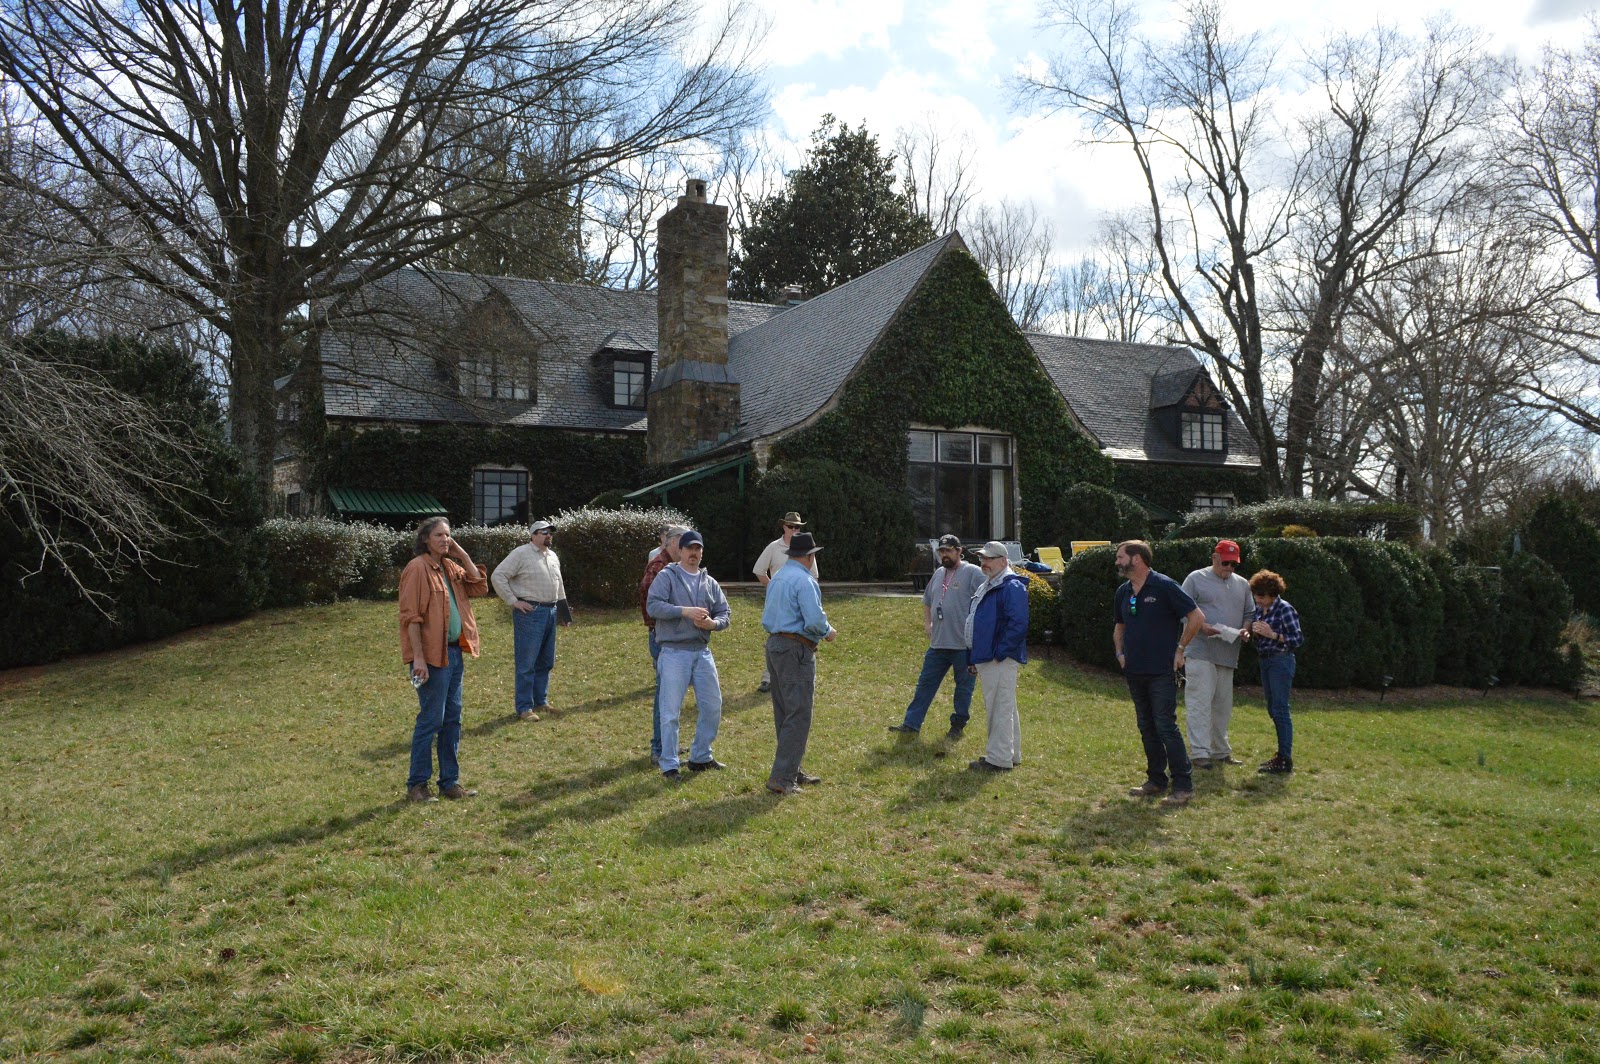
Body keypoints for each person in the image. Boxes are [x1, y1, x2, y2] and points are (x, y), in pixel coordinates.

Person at [398, 516, 489, 802]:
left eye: (448, 535)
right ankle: (417, 785)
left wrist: (461, 553)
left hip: (454, 653)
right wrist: (419, 659)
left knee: (453, 720)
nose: (445, 540)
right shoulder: (417, 568)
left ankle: (449, 783)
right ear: (425, 539)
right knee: (431, 721)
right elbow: (410, 618)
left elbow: (478, 585)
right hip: (431, 658)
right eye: (439, 535)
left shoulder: (450, 566)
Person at [1113, 540, 1207, 807]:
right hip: (1135, 670)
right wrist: (1120, 654)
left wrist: (1180, 649)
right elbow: (1119, 627)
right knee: (1147, 727)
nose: (1117, 562)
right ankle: (1156, 780)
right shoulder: (1123, 591)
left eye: (1121, 557)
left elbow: (1196, 617)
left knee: (1165, 726)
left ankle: (1183, 786)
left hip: (1161, 671)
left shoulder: (1164, 586)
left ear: (1137, 559)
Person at [646, 530, 732, 781]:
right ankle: (669, 764)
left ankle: (700, 757)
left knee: (712, 706)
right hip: (673, 652)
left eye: (698, 549)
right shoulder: (666, 577)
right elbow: (654, 606)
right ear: (680, 551)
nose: (694, 553)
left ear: (701, 552)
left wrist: (713, 625)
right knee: (670, 711)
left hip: (702, 652)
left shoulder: (709, 582)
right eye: (689, 549)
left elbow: (724, 612)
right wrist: (685, 611)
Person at [889, 534, 986, 740]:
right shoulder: (939, 573)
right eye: (942, 551)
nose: (945, 555)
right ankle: (911, 724)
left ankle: (958, 725)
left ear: (959, 551)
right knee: (925, 684)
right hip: (938, 644)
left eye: (949, 550)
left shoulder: (972, 572)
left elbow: (987, 595)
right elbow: (927, 600)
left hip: (963, 645)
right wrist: (928, 623)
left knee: (963, 688)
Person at [761, 531, 834, 796]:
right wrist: (828, 631)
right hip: (796, 649)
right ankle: (782, 777)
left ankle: (791, 769)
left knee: (784, 711)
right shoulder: (804, 581)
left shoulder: (779, 576)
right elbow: (813, 619)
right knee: (799, 713)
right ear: (809, 556)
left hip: (775, 646)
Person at [1181, 540, 1255, 768]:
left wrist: (1245, 629)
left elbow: (1249, 613)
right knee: (1200, 702)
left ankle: (1220, 751)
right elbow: (1182, 610)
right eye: (1225, 562)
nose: (1229, 568)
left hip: (1228, 652)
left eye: (1234, 564)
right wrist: (1202, 627)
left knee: (1223, 705)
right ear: (1214, 557)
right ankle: (1199, 753)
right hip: (1200, 650)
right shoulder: (1195, 578)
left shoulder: (1242, 584)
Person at [491, 519, 570, 721]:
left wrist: (563, 612)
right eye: (544, 532)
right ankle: (524, 707)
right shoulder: (521, 553)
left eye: (550, 532)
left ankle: (540, 701)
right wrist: (513, 601)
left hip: (550, 611)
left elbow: (558, 584)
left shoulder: (552, 556)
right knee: (527, 662)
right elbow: (498, 576)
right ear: (533, 535)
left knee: (546, 660)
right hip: (530, 614)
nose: (548, 536)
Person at [965, 541, 1030, 773]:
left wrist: (999, 653)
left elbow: (1019, 624)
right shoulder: (991, 584)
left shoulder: (1011, 586)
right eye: (982, 558)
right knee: (1005, 706)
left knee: (998, 708)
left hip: (998, 658)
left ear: (1003, 561)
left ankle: (998, 759)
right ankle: (1010, 755)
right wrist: (974, 656)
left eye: (989, 559)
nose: (984, 563)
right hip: (989, 656)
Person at [752, 511, 819, 692]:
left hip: (798, 601)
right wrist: (773, 588)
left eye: (797, 526)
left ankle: (802, 675)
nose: (794, 529)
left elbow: (813, 576)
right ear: (783, 526)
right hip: (778, 602)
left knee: (799, 635)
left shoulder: (806, 549)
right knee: (777, 634)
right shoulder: (773, 547)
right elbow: (759, 570)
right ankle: (768, 678)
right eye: (791, 526)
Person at [640, 525, 690, 765]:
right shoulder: (659, 567)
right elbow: (651, 604)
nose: (688, 549)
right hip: (663, 639)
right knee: (665, 695)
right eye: (685, 544)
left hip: (673, 638)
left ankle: (668, 744)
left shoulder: (674, 567)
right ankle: (659, 748)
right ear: (673, 544)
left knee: (672, 694)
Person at [1248, 568, 1304, 774]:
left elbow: (1297, 639)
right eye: (1256, 595)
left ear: (1273, 594)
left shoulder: (1285, 609)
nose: (1258, 599)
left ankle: (1284, 759)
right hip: (1266, 661)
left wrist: (1273, 635)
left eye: (1262, 596)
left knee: (1280, 709)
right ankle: (1281, 755)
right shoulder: (1260, 610)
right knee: (1273, 708)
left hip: (1281, 661)